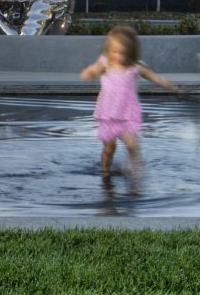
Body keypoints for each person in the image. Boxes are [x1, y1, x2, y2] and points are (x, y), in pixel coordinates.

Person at [79, 24, 184, 180]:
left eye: (122, 53)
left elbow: (156, 78)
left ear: (131, 52)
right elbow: (92, 71)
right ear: (109, 49)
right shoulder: (105, 63)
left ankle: (135, 171)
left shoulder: (135, 67)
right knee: (109, 149)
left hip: (128, 114)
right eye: (114, 51)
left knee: (133, 146)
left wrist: (172, 87)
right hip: (108, 114)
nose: (118, 56)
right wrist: (88, 74)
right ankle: (105, 172)